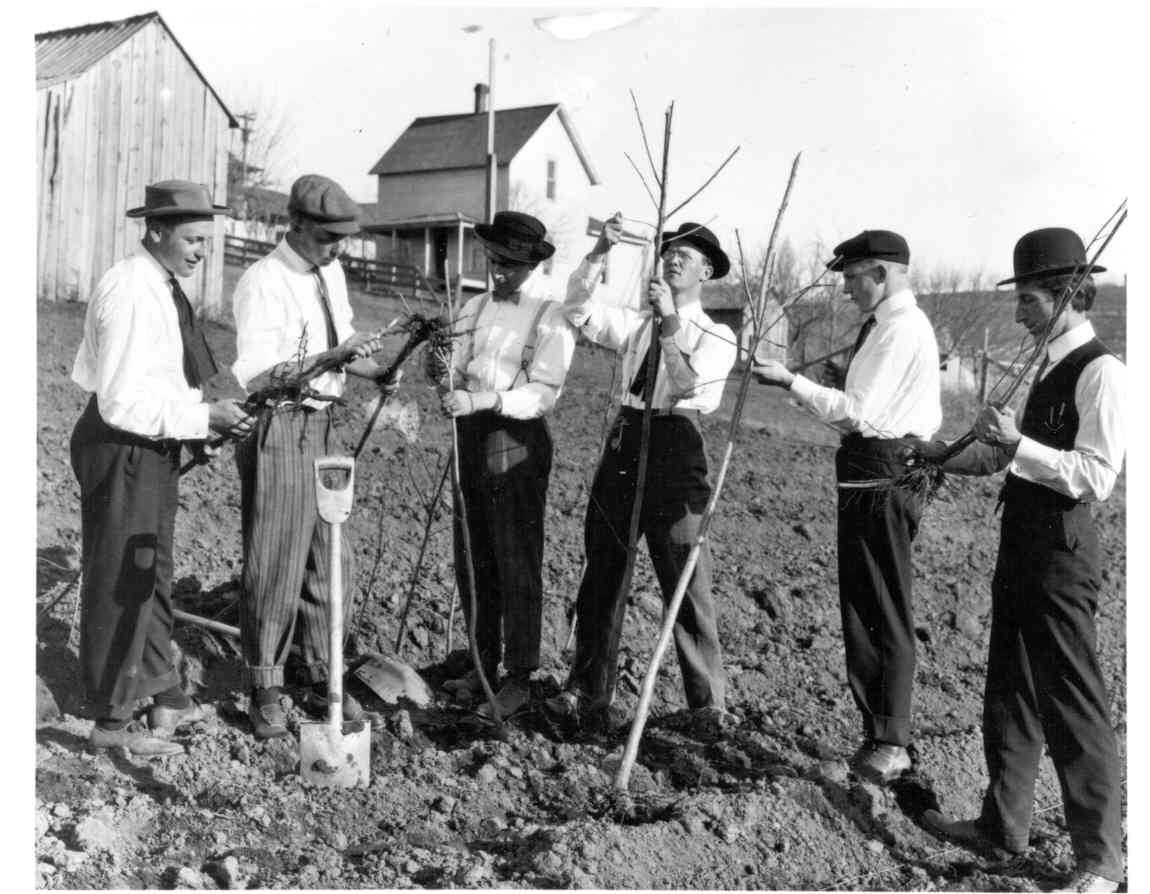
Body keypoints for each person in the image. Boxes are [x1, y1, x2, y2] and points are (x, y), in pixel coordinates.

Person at [920, 228, 1125, 893]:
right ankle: (1000, 829)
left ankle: (1099, 862)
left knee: (1074, 704)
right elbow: (1008, 454)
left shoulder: (1103, 372)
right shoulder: (1042, 365)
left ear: (1068, 293)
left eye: (1029, 300)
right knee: (1008, 693)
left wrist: (1018, 443)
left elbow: (1094, 477)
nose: (1018, 313)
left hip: (1063, 555)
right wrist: (939, 455)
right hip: (1021, 550)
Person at [70, 180, 255, 756]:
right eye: (193, 239)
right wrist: (203, 418)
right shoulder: (130, 290)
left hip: (151, 444)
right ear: (155, 230)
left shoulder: (163, 285)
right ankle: (111, 718)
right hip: (122, 444)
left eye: (206, 239)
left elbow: (170, 379)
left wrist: (211, 417)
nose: (202, 250)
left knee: (152, 572)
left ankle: (160, 693)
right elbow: (119, 400)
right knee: (121, 581)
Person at [753, 230, 941, 783]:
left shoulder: (901, 330)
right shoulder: (883, 327)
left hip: (885, 476)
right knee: (862, 608)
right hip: (866, 475)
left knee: (883, 607)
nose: (848, 291)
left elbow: (860, 413)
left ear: (881, 274)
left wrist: (791, 381)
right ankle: (878, 736)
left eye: (853, 279)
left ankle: (892, 742)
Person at [548, 214, 736, 724]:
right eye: (669, 250)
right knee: (603, 572)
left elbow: (691, 389)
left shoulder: (715, 335)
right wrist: (598, 253)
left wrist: (671, 323)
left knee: (686, 581)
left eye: (688, 255)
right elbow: (576, 309)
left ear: (706, 272)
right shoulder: (635, 325)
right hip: (626, 443)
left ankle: (708, 707)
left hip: (677, 445)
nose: (674, 258)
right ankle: (587, 692)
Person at [231, 174, 390, 740]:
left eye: (343, 238)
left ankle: (325, 674)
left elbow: (344, 341)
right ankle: (265, 686)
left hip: (324, 424)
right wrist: (330, 357)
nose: (337, 248)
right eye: (328, 237)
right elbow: (257, 375)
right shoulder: (263, 281)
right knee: (276, 559)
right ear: (295, 225)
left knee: (329, 557)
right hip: (281, 425)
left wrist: (377, 368)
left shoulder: (330, 272)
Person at [427, 210, 576, 718]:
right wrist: (441, 373)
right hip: (469, 436)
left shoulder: (550, 314)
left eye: (509, 264)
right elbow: (455, 370)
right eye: (493, 261)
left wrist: (485, 401)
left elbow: (543, 393)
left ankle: (519, 676)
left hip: (516, 440)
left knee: (516, 557)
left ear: (532, 264)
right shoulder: (473, 306)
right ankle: (482, 661)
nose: (498, 272)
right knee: (474, 553)